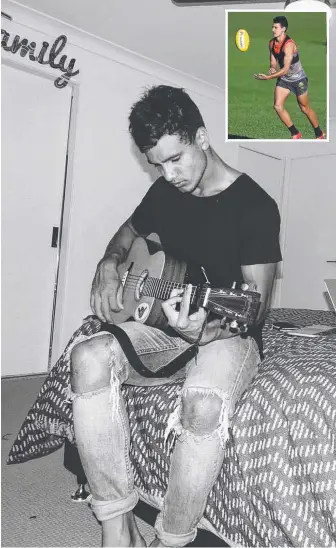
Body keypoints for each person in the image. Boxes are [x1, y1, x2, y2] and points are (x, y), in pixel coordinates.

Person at [69, 84, 282, 547]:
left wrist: (205, 330)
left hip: (227, 332)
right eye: (157, 164)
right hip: (162, 326)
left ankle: (172, 538)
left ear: (202, 137)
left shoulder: (256, 206)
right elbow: (127, 234)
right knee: (87, 356)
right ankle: (116, 524)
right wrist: (109, 263)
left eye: (176, 158)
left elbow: (255, 308)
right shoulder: (165, 193)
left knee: (203, 406)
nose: (169, 174)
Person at [253, 15, 326, 140]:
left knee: (305, 108)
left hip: (298, 80)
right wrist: (272, 67)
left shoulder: (289, 45)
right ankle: (295, 133)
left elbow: (286, 68)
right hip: (285, 79)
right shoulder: (271, 43)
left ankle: (319, 133)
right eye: (272, 27)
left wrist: (269, 78)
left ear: (283, 29)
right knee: (277, 106)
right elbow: (273, 60)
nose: (273, 29)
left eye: (275, 27)